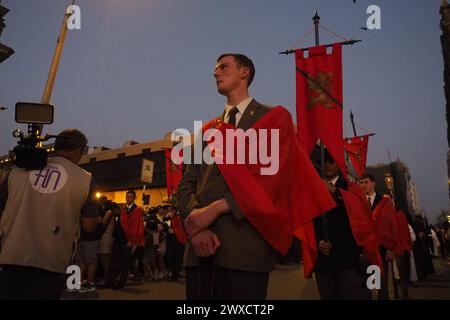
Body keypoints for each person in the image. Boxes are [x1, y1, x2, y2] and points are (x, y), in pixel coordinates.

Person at [177, 53, 277, 300]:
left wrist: (218, 208)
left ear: (244, 72)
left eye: (223, 67)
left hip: (244, 251)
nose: (215, 72)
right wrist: (196, 227)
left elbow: (272, 182)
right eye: (215, 68)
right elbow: (186, 184)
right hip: (199, 253)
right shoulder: (207, 129)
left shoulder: (270, 118)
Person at [0, 129, 99, 299]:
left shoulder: (17, 171)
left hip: (11, 256)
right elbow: (89, 226)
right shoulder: (85, 179)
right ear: (77, 151)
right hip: (52, 260)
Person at [313, 153, 364, 300]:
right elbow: (310, 220)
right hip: (323, 262)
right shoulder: (314, 188)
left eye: (331, 161)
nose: (327, 165)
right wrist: (318, 241)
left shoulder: (350, 187)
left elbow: (357, 213)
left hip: (346, 259)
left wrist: (334, 191)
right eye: (324, 162)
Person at [358, 173, 393, 300]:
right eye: (361, 183)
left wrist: (390, 249)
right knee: (366, 286)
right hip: (365, 250)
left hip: (381, 249)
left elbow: (390, 226)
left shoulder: (384, 201)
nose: (363, 185)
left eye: (366, 182)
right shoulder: (358, 203)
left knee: (381, 286)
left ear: (373, 183)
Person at [106, 191, 144, 289]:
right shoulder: (123, 209)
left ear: (134, 198)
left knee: (124, 263)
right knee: (114, 261)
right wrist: (114, 237)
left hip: (128, 240)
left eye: (130, 197)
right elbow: (119, 224)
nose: (128, 198)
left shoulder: (137, 210)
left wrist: (132, 240)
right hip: (119, 239)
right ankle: (109, 282)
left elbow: (136, 226)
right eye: (127, 197)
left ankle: (121, 283)